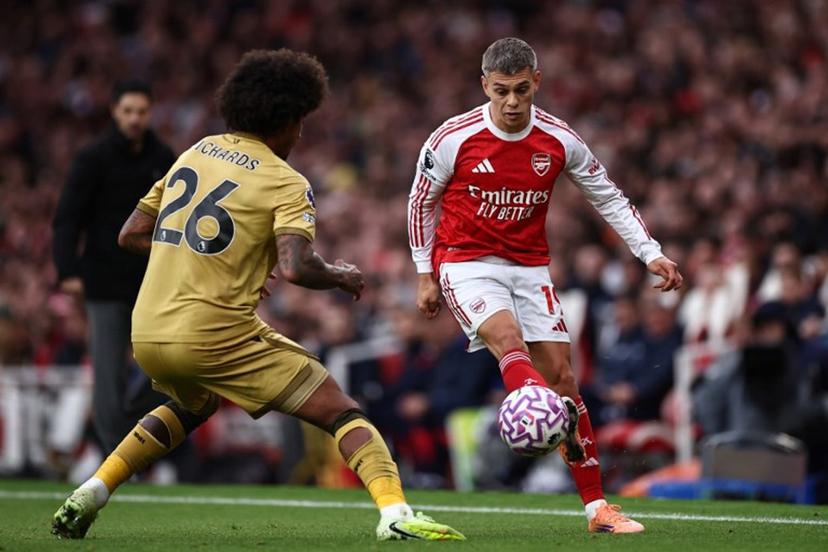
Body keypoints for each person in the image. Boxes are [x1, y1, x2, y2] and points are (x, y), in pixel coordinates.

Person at [52, 49, 463, 543]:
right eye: (302, 123)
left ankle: (93, 490)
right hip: (213, 333)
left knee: (192, 405)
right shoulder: (284, 180)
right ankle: (395, 513)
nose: (301, 134)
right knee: (341, 410)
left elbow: (132, 233)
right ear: (287, 119)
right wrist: (340, 275)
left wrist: (210, 263)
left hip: (150, 331)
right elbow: (296, 267)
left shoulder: (197, 151)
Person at [407, 37, 683, 534]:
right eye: (500, 92)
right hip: (466, 263)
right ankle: (541, 416)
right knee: (508, 341)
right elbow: (421, 202)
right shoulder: (452, 137)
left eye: (520, 91)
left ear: (536, 82)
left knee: (564, 380)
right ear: (484, 85)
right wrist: (425, 272)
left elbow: (609, 195)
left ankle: (598, 509)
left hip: (530, 266)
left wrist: (651, 252)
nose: (511, 103)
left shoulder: (559, 139)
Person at [52, 81, 176, 454]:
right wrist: (67, 271)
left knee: (168, 363)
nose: (135, 119)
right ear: (114, 112)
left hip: (150, 281)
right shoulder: (93, 158)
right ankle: (113, 456)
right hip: (104, 280)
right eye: (128, 112)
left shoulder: (164, 157)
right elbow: (68, 218)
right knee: (108, 373)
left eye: (141, 112)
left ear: (150, 112)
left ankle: (127, 431)